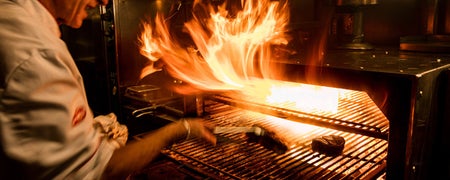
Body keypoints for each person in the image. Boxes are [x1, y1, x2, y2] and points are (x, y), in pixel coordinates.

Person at [0, 0, 217, 179]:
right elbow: (99, 170)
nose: (104, 2)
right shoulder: (37, 52)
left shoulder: (11, 17)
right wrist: (182, 129)